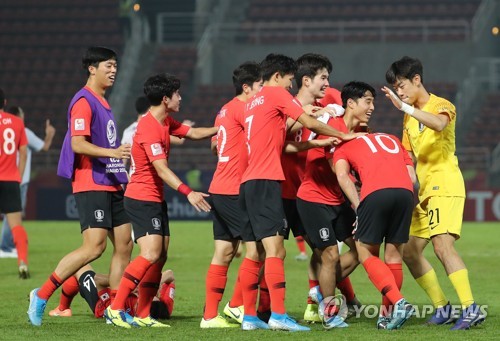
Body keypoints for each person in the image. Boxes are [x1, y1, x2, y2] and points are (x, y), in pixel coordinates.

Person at [237, 53, 356, 332]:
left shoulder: (252, 103)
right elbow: (309, 123)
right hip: (269, 182)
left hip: (251, 182)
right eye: (289, 79)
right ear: (278, 76)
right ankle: (278, 315)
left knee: (254, 253)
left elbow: (282, 143)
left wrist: (318, 140)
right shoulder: (277, 96)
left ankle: (250, 316)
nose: (290, 85)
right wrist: (342, 135)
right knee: (276, 250)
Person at [28, 47, 133, 326]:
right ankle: (41, 294)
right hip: (91, 182)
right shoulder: (83, 101)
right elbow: (77, 143)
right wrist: (113, 153)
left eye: (115, 66)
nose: (113, 71)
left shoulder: (103, 101)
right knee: (94, 248)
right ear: (92, 68)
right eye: (108, 66)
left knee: (124, 245)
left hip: (111, 180)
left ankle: (115, 309)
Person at [104, 73, 217, 329]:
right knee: (151, 252)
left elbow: (192, 132)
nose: (180, 98)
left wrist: (223, 127)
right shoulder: (148, 127)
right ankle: (115, 308)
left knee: (161, 255)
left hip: (155, 198)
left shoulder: (165, 121)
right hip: (141, 198)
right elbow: (161, 169)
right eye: (177, 94)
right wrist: (189, 191)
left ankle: (144, 315)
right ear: (165, 99)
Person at [383, 56, 485, 330]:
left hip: (446, 185)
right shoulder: (408, 117)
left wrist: (405, 106)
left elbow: (439, 124)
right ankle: (443, 307)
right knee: (411, 251)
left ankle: (471, 308)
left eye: (402, 85)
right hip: (426, 192)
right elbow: (408, 158)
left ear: (417, 79)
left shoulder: (441, 105)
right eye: (396, 87)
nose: (400, 92)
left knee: (442, 245)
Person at [333, 81, 417, 330]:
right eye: (368, 101)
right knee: (393, 255)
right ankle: (386, 315)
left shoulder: (345, 144)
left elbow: (341, 177)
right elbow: (412, 178)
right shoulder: (392, 139)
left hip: (375, 194)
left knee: (365, 252)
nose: (371, 107)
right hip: (404, 193)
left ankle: (399, 303)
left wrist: (358, 206)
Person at [294, 61, 360, 329]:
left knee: (361, 249)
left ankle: (322, 291)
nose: (328, 83)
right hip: (313, 198)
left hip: (337, 200)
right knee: (329, 254)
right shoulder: (323, 120)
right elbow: (334, 164)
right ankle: (330, 311)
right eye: (323, 77)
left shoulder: (354, 127)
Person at [201, 62, 263, 328]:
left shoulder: (224, 109)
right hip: (234, 189)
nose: (263, 92)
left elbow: (215, 146)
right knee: (258, 248)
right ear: (247, 87)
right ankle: (237, 306)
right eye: (260, 86)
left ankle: (210, 316)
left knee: (224, 251)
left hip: (219, 186)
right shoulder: (245, 109)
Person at [0, 106, 55, 258]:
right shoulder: (23, 130)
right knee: (13, 214)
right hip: (18, 179)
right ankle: (6, 246)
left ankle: (7, 246)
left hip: (4, 175)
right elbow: (44, 147)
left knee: (9, 214)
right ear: (18, 115)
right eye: (22, 114)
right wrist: (49, 135)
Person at [48, 264, 175, 321]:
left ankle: (62, 308)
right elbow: (170, 274)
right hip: (115, 293)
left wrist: (127, 284)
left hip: (102, 303)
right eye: (150, 295)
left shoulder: (126, 308)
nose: (148, 294)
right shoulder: (165, 306)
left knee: (79, 267)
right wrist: (156, 283)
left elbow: (97, 281)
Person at [0, 88, 30, 278]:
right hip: (11, 179)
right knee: (16, 226)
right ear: (4, 102)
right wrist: (18, 177)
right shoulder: (17, 123)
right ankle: (22, 263)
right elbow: (24, 153)